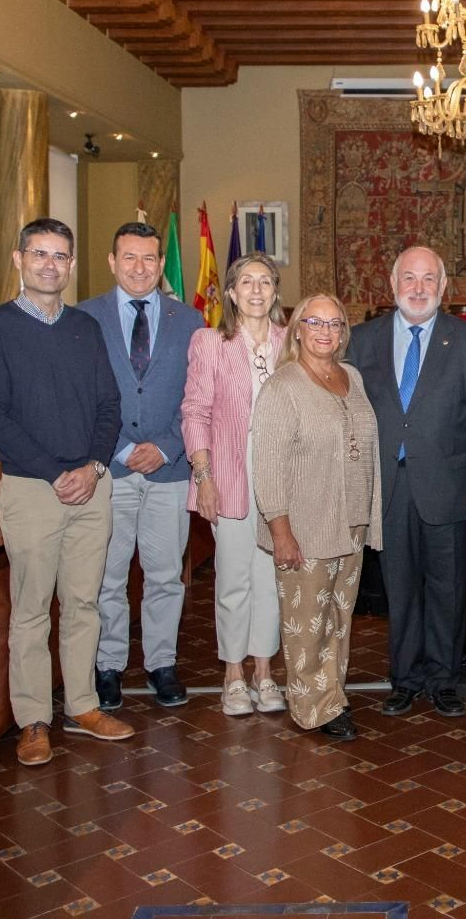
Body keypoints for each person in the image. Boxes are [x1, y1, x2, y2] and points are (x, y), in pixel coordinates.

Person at [0, 217, 133, 768]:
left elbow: (110, 406)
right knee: (32, 608)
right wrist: (53, 471)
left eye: (60, 256)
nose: (50, 264)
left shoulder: (85, 328)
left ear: (70, 264)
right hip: (31, 488)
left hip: (91, 486)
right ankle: (33, 719)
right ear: (18, 259)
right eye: (39, 254)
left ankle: (82, 705)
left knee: (84, 602)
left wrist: (90, 466)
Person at [347, 246, 466, 719]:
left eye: (429, 278)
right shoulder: (361, 340)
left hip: (449, 485)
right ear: (392, 285)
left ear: (443, 287)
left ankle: (443, 680)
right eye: (409, 277)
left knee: (448, 589)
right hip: (386, 485)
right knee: (400, 587)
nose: (419, 287)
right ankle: (404, 679)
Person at [79, 222, 204, 711]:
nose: (140, 267)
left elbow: (197, 398)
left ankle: (161, 663)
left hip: (168, 470)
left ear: (161, 266)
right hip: (108, 469)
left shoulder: (189, 321)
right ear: (112, 262)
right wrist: (119, 449)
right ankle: (108, 665)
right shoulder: (84, 318)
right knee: (108, 576)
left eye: (150, 259)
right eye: (129, 257)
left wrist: (168, 445)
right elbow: (82, 397)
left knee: (165, 575)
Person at [251, 294, 382, 740]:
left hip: (350, 521)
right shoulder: (282, 386)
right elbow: (267, 464)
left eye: (335, 323)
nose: (325, 331)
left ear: (343, 331)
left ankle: (333, 695)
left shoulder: (353, 378)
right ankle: (312, 707)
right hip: (305, 524)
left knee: (338, 618)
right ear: (298, 329)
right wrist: (280, 530)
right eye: (315, 322)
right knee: (306, 621)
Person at [182, 254, 289, 716]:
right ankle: (232, 676)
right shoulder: (210, 342)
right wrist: (203, 477)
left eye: (266, 282)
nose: (257, 290)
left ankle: (265, 674)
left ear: (275, 291)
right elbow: (195, 412)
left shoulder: (293, 341)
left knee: (270, 579)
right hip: (227, 471)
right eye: (247, 281)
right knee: (233, 579)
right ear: (230, 291)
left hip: (280, 473)